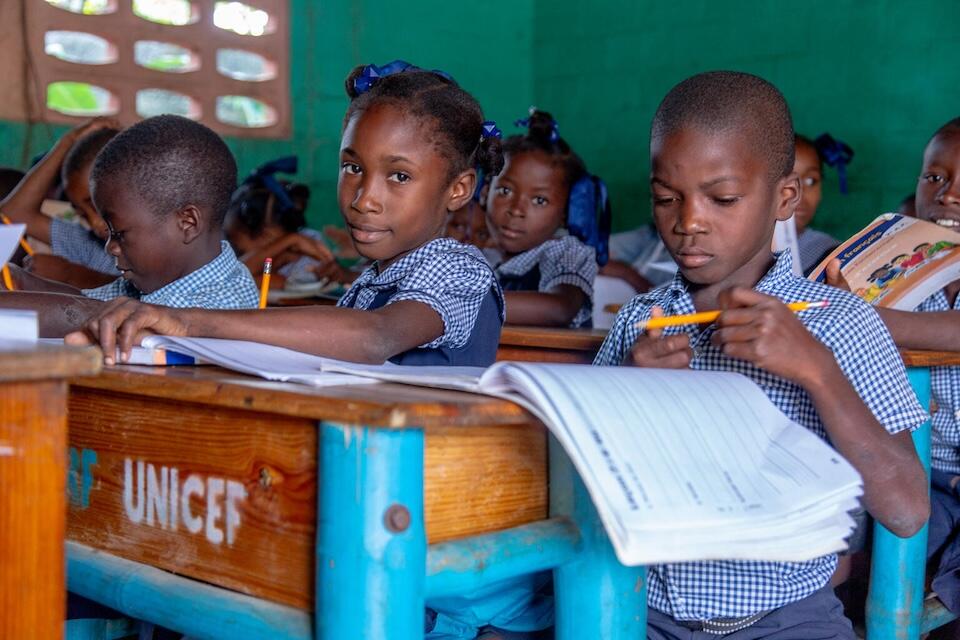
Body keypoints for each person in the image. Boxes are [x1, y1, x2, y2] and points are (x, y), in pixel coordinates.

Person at [596, 71, 928, 639]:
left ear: (785, 198)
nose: (688, 222)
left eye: (722, 198)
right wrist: (626, 389)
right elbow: (583, 479)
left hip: (790, 621)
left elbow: (906, 510)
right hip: (640, 615)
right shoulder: (638, 323)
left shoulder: (838, 323)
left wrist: (817, 370)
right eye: (665, 198)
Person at [0, 115, 259, 335]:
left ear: (187, 223)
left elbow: (87, 315)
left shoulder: (220, 303)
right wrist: (22, 281)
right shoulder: (152, 281)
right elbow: (85, 300)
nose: (110, 246)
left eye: (120, 234)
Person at [486, 109, 600, 328]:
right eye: (505, 191)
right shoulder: (482, 257)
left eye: (539, 200)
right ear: (485, 192)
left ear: (568, 213)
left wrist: (457, 303)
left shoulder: (565, 251)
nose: (516, 210)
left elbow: (559, 309)